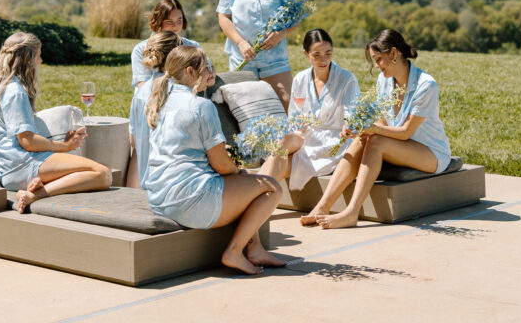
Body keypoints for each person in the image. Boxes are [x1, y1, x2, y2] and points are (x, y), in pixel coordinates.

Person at [144, 45, 285, 275]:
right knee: (271, 187)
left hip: (159, 199)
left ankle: (256, 248)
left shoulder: (159, 102)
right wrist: (238, 169)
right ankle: (234, 251)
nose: (211, 70)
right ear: (190, 72)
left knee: (249, 184)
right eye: (206, 66)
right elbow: (221, 165)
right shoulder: (201, 106)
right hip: (190, 201)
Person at [302, 28, 452, 229]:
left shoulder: (426, 85)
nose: (376, 65)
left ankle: (351, 212)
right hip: (402, 145)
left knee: (376, 139)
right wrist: (359, 128)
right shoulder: (385, 81)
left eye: (379, 59)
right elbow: (383, 124)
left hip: (431, 152)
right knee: (364, 138)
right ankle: (322, 206)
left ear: (394, 53)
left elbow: (406, 131)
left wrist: (372, 129)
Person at [0, 31, 111, 213]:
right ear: (28, 59)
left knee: (93, 170)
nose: (40, 61)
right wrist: (66, 145)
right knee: (103, 174)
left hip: (9, 167)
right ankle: (35, 194)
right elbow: (27, 142)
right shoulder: (15, 92)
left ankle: (38, 185)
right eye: (39, 56)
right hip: (23, 165)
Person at [259, 28, 361, 190]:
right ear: (306, 54)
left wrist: (349, 126)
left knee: (278, 162)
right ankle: (252, 192)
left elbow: (352, 114)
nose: (323, 60)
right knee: (282, 143)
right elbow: (294, 115)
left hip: (332, 142)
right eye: (316, 55)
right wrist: (298, 123)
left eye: (328, 53)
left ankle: (251, 192)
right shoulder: (301, 79)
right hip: (304, 136)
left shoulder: (346, 79)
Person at [217, 0, 297, 109]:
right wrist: (240, 43)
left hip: (275, 59)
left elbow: (295, 15)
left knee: (287, 104)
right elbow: (223, 17)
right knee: (244, 109)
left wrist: (281, 34)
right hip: (242, 58)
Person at [126, 30, 183, 188]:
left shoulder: (140, 95)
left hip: (146, 184)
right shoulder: (181, 94)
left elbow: (133, 141)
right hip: (174, 186)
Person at [131, 0, 199, 87]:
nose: (175, 26)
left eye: (179, 20)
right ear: (158, 21)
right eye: (169, 21)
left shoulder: (192, 46)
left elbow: (207, 74)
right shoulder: (141, 49)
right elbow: (142, 85)